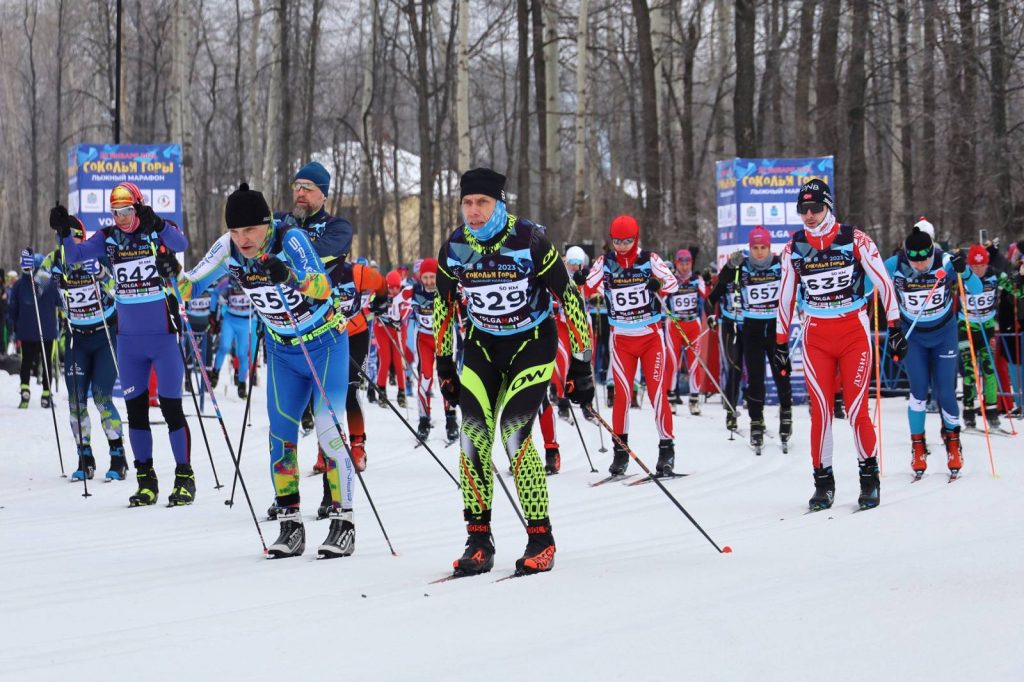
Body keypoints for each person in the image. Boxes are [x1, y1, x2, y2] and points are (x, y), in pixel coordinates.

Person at [178, 183, 355, 559]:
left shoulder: (290, 240)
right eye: (236, 231)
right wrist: (168, 274)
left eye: (250, 231)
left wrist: (290, 276)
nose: (243, 240)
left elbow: (323, 286)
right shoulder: (227, 247)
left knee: (329, 431)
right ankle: (290, 525)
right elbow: (191, 282)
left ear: (267, 224)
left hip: (324, 344)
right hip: (282, 351)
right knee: (281, 436)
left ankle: (344, 522)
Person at [434, 168, 593, 577]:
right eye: (467, 203)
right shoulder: (454, 246)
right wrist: (443, 361)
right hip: (483, 345)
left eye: (481, 203)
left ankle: (541, 538)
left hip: (532, 342)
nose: (473, 211)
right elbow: (444, 305)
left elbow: (569, 298)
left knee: (513, 432)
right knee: (472, 437)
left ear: (499, 203)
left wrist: (581, 363)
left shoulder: (529, 240)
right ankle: (478, 540)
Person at [52, 183, 194, 507]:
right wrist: (64, 232)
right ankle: (146, 480)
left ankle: (184, 477)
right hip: (129, 342)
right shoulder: (108, 237)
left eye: (127, 211)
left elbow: (180, 242)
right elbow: (74, 256)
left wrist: (156, 223)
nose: (121, 218)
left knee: (172, 409)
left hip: (162, 337)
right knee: (136, 413)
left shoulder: (155, 231)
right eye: (116, 212)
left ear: (138, 207)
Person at [775, 179, 901, 511]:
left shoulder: (854, 239)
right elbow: (785, 296)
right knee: (820, 412)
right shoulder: (794, 247)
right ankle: (823, 482)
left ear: (828, 207)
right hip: (815, 334)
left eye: (816, 208)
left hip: (853, 333)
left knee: (858, 409)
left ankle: (869, 478)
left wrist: (895, 324)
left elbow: (884, 283)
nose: (810, 215)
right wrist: (778, 339)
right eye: (803, 210)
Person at [581, 214, 679, 476]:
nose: (622, 245)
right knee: (622, 396)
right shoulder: (605, 262)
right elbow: (587, 286)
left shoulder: (649, 260)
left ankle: (666, 451)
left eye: (627, 240)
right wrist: (581, 280)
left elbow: (673, 282)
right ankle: (620, 454)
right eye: (617, 240)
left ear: (635, 239)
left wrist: (658, 284)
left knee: (658, 393)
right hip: (621, 339)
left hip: (650, 337)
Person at [44, 229, 127, 481]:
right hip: (76, 339)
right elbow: (36, 282)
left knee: (102, 398)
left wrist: (102, 275)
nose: (73, 244)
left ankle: (118, 456)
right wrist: (28, 267)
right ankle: (85, 457)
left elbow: (118, 290)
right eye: (67, 239)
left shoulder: (98, 255)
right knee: (76, 400)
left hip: (104, 335)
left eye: (77, 238)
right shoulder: (55, 259)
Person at [885, 226, 966, 476]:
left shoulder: (945, 261)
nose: (921, 266)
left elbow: (972, 288)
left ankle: (953, 442)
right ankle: (918, 446)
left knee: (945, 392)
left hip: (944, 335)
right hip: (914, 337)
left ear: (933, 253)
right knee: (918, 392)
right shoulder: (895, 263)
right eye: (915, 261)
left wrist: (965, 271)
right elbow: (867, 282)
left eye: (926, 260)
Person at [720, 226, 792, 451]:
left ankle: (786, 414)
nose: (759, 252)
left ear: (769, 247)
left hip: (775, 328)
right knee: (755, 379)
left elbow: (799, 281)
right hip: (751, 328)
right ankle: (756, 421)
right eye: (755, 248)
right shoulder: (743, 265)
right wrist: (730, 265)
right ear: (749, 248)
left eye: (763, 248)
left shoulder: (780, 264)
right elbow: (721, 285)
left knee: (782, 374)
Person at [958, 244, 1022, 433]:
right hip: (966, 328)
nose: (979, 270)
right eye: (975, 266)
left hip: (987, 328)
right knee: (969, 372)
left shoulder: (995, 275)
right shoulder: (962, 277)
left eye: (982, 266)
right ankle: (969, 416)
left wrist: (1021, 277)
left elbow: (1018, 291)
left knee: (989, 370)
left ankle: (993, 415)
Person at [410, 257, 459, 444]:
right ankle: (424, 420)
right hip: (424, 339)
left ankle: (451, 419)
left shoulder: (445, 289)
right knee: (426, 377)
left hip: (444, 339)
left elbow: (462, 302)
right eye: (426, 277)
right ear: (420, 277)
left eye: (432, 277)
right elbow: (396, 304)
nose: (429, 282)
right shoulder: (413, 292)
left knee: (446, 377)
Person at [9, 250, 60, 409]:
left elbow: (12, 310)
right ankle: (46, 394)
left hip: (26, 332)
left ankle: (25, 390)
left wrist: (15, 326)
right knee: (46, 363)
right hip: (47, 332)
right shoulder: (49, 283)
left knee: (26, 362)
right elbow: (60, 302)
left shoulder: (18, 285)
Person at [704, 246, 745, 432]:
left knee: (753, 368)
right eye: (734, 262)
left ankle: (755, 413)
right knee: (734, 367)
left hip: (752, 325)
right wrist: (711, 316)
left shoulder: (753, 275)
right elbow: (710, 300)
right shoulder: (725, 279)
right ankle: (731, 412)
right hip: (730, 325)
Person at [664, 248, 707, 415]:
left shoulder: (697, 279)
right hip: (674, 324)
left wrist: (709, 316)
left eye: (687, 263)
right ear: (676, 263)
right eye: (681, 263)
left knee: (694, 362)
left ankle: (694, 399)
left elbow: (706, 298)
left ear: (691, 263)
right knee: (673, 362)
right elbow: (660, 296)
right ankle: (671, 397)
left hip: (692, 324)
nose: (684, 266)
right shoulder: (671, 279)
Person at [210, 276, 254, 398]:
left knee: (242, 354)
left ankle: (241, 385)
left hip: (245, 322)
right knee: (224, 347)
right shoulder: (228, 280)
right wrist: (213, 312)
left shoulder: (253, 279)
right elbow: (215, 292)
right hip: (230, 319)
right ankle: (215, 373)